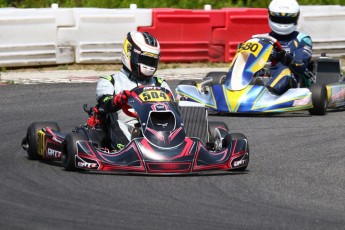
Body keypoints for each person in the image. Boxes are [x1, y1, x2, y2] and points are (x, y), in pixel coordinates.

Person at [96, 31, 172, 151]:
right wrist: (117, 100)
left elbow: (172, 109)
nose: (148, 65)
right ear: (129, 54)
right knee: (118, 125)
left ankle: (175, 148)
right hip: (125, 129)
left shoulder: (160, 83)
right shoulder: (110, 81)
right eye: (144, 59)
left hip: (157, 130)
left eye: (151, 61)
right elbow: (105, 103)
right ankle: (127, 151)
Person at [265, 0, 313, 95]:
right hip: (266, 73)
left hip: (292, 80)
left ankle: (267, 93)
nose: (282, 24)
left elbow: (300, 66)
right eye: (278, 19)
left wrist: (284, 57)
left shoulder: (302, 39)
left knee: (284, 71)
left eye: (286, 20)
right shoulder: (263, 38)